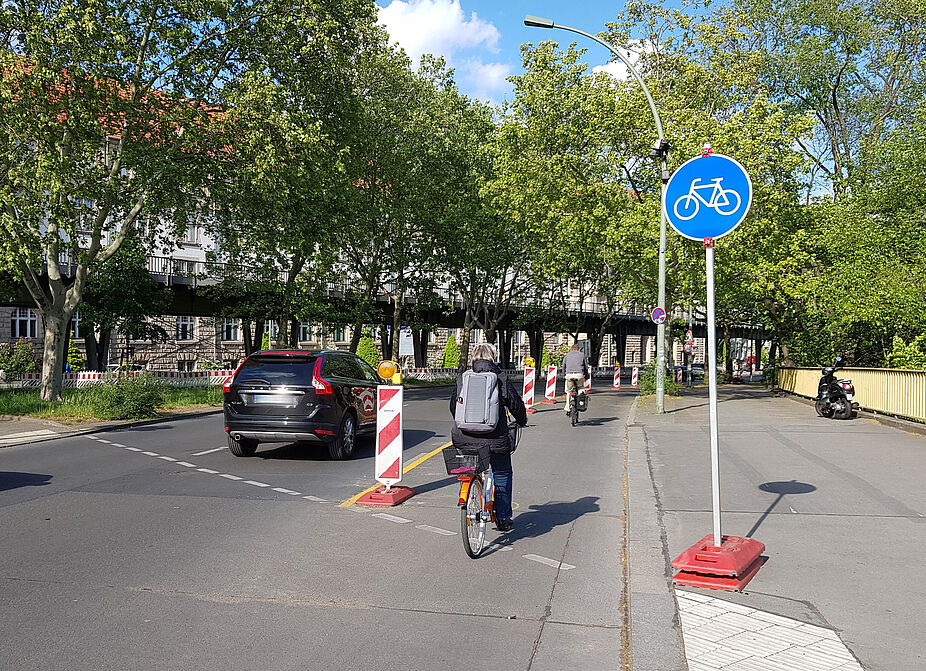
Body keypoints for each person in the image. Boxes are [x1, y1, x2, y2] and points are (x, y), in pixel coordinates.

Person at [449, 343, 527, 532]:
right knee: (502, 473)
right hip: (496, 440)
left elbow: (453, 406)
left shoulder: (463, 378)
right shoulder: (501, 378)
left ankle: (468, 489)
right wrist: (522, 420)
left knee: (469, 469)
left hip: (463, 438)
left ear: (473, 359)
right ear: (493, 358)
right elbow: (515, 405)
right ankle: (503, 518)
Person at [561, 343, 588, 415]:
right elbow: (585, 366)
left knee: (569, 391)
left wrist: (564, 375)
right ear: (578, 349)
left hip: (569, 375)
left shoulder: (567, 355)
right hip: (579, 375)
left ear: (571, 349)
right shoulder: (582, 355)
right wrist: (587, 376)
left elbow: (563, 366)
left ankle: (567, 407)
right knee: (581, 388)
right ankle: (580, 402)